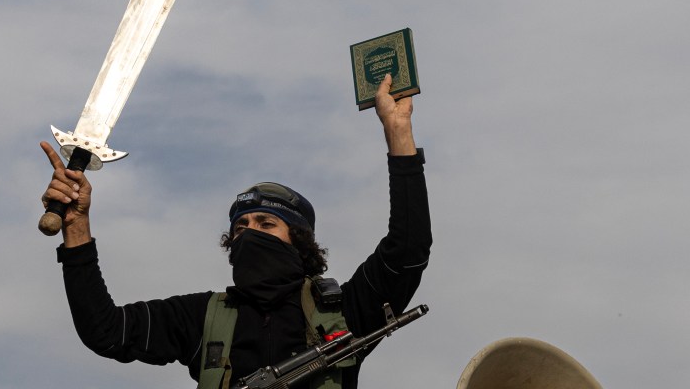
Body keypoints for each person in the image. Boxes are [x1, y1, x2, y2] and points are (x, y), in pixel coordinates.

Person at [40, 74, 431, 388]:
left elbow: (408, 249)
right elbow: (105, 330)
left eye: (266, 224)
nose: (249, 233)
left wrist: (398, 133)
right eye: (240, 227)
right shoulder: (200, 317)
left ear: (299, 242)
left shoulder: (344, 311)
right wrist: (76, 228)